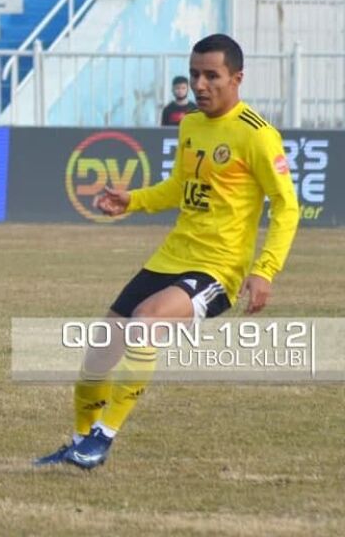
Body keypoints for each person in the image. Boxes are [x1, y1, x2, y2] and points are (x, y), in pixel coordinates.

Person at [34, 34, 300, 470]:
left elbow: (286, 206)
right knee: (99, 353)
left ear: (237, 78)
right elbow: (179, 187)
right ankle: (80, 443)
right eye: (194, 74)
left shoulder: (257, 134)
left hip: (217, 270)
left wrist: (265, 269)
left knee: (146, 322)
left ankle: (103, 436)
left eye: (211, 76)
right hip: (170, 257)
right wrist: (132, 200)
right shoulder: (191, 124)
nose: (200, 84)